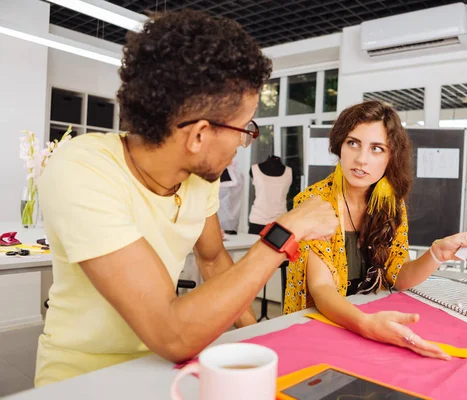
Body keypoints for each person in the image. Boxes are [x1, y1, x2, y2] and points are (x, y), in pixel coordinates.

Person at [35, 10, 338, 387]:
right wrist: (284, 233)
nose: (244, 141)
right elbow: (171, 333)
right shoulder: (82, 169)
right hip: (84, 379)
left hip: (173, 370)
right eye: (244, 129)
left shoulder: (198, 177)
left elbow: (212, 260)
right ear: (198, 136)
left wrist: (261, 337)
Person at [284, 100, 467, 361]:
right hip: (321, 332)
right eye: (353, 143)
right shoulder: (314, 203)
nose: (361, 159)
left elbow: (397, 275)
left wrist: (436, 254)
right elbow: (321, 289)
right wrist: (365, 324)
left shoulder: (391, 204)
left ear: (390, 157)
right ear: (340, 145)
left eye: (377, 149)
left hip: (370, 328)